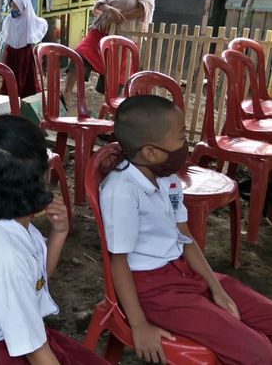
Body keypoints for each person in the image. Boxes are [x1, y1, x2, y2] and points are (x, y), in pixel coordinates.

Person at [100, 95, 272, 365]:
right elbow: (118, 261)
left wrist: (217, 289)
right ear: (150, 151)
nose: (186, 145)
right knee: (260, 352)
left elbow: (186, 237)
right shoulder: (121, 191)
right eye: (181, 138)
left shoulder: (166, 178)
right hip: (154, 291)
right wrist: (139, 324)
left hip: (184, 273)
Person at [0, 116, 109, 364]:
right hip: (0, 356)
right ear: (35, 181)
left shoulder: (8, 223)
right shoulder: (5, 255)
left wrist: (59, 234)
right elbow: (35, 352)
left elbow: (35, 279)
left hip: (20, 340)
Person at [63, 0, 155, 105]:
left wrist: (115, 17)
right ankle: (65, 96)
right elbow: (100, 2)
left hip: (126, 36)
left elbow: (141, 9)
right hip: (102, 30)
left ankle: (110, 108)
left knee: (117, 76)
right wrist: (109, 10)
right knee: (79, 55)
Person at [0, 0, 47, 98]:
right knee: (11, 74)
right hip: (12, 52)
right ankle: (10, 93)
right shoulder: (8, 20)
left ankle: (25, 94)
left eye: (16, 7)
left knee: (25, 75)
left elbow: (32, 38)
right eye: (12, 7)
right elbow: (7, 38)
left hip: (24, 53)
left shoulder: (28, 21)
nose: (13, 10)